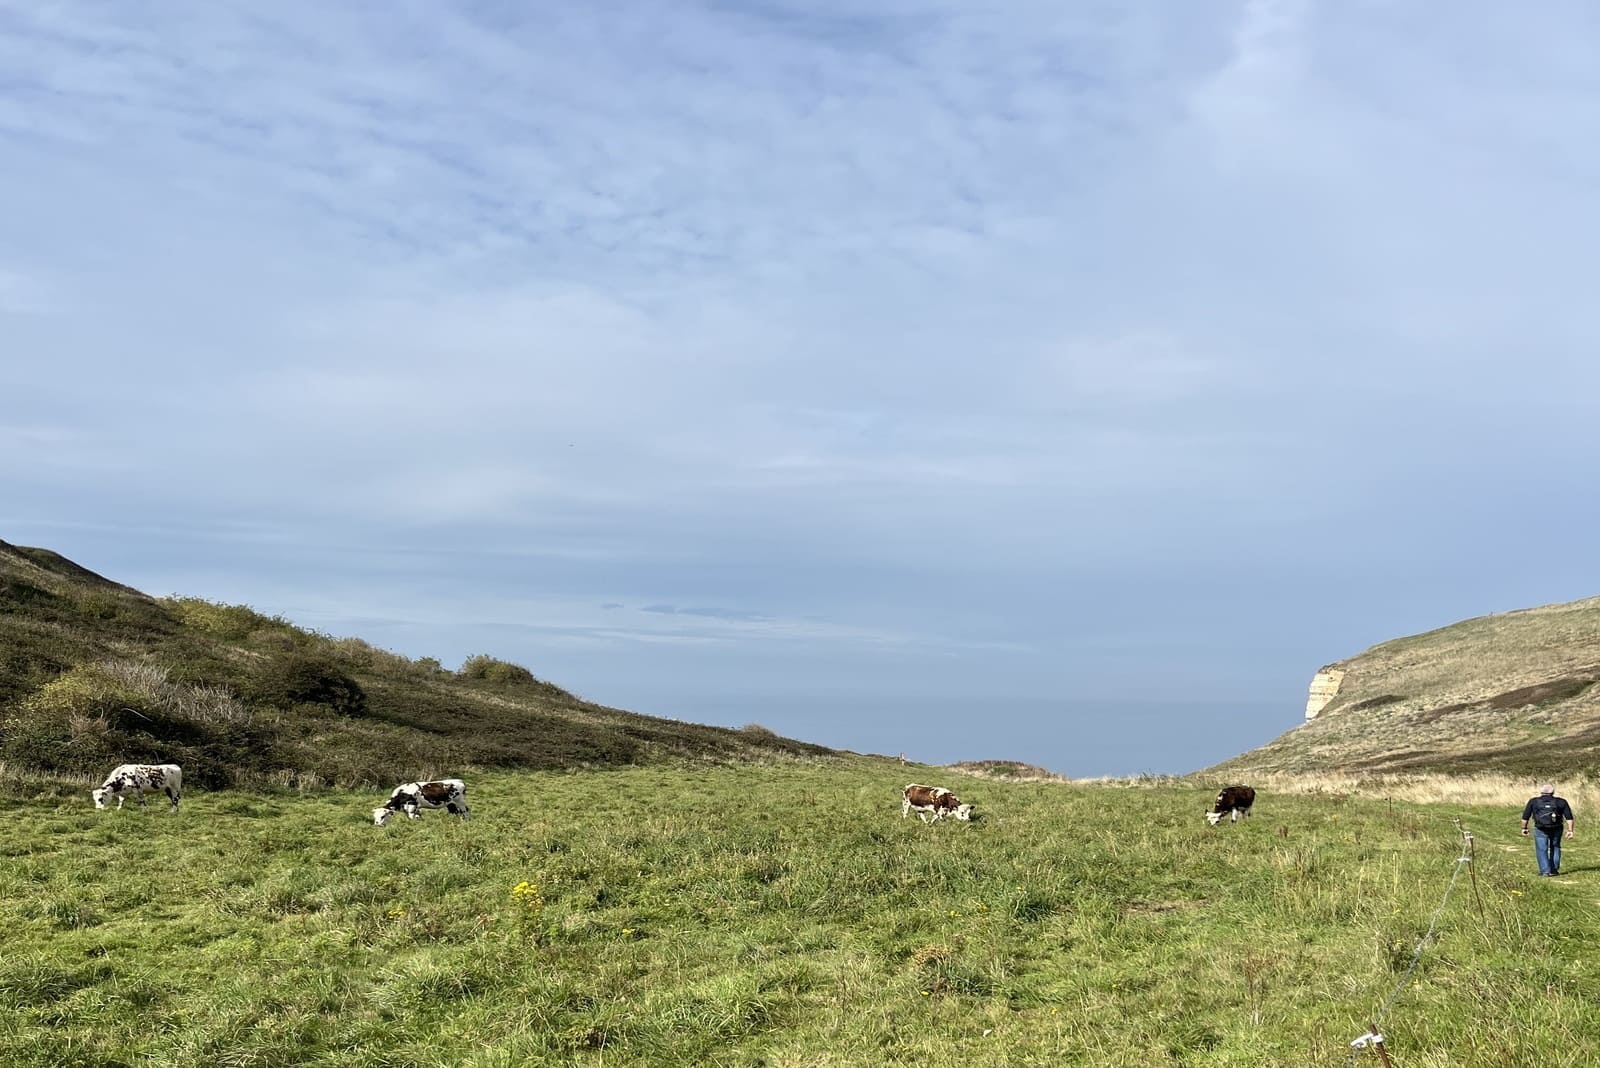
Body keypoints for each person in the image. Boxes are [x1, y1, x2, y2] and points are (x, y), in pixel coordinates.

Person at [1521, 783, 1576, 877]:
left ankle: (1545, 871)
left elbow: (1525, 817)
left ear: (1541, 792)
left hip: (1540, 828)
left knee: (1541, 849)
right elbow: (1569, 817)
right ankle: (1554, 870)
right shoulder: (1561, 802)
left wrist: (1524, 828)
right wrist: (1570, 831)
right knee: (1555, 847)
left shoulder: (1534, 801)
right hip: (1557, 828)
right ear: (1553, 792)